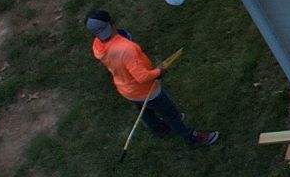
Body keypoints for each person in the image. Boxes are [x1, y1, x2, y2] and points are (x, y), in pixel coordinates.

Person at [85, 8, 218, 148]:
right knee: (172, 115)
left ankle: (158, 129)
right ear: (111, 22)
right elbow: (142, 77)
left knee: (145, 111)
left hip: (125, 89)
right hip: (146, 90)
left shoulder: (97, 46)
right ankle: (191, 137)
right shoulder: (126, 49)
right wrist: (158, 72)